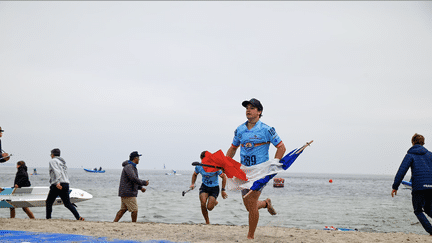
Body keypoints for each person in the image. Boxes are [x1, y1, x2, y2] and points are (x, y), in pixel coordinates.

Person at [226, 98, 286, 239]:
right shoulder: (240, 129)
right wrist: (225, 163)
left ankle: (250, 237)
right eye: (247, 107)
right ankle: (266, 203)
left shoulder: (267, 129)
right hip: (244, 171)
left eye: (252, 108)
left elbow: (281, 147)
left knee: (252, 202)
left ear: (259, 112)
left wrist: (273, 165)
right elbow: (233, 148)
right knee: (249, 206)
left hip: (260, 171)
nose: (248, 110)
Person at [392, 133, 432, 235]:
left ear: (413, 142)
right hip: (431, 187)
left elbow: (402, 171)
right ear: (423, 143)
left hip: (418, 188)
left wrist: (395, 186)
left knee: (418, 210)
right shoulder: (430, 155)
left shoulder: (410, 155)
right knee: (428, 209)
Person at [190, 151, 228, 224]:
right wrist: (192, 184)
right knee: (203, 203)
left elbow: (224, 177)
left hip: (214, 188)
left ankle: (214, 202)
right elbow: (195, 174)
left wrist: (223, 190)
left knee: (209, 208)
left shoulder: (215, 167)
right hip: (204, 187)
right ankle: (207, 221)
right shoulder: (199, 166)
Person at [46, 148, 84, 221]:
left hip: (58, 184)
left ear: (53, 154)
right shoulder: (62, 163)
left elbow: (56, 172)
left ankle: (48, 218)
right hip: (66, 183)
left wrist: (57, 183)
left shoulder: (53, 161)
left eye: (51, 154)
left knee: (49, 202)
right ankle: (78, 217)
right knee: (67, 203)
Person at [114, 151, 149, 222]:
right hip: (128, 192)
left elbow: (132, 181)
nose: (139, 159)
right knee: (134, 210)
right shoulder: (129, 167)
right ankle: (133, 224)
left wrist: (140, 188)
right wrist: (144, 183)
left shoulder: (131, 167)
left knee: (123, 209)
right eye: (138, 158)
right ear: (135, 158)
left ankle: (114, 223)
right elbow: (133, 178)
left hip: (125, 192)